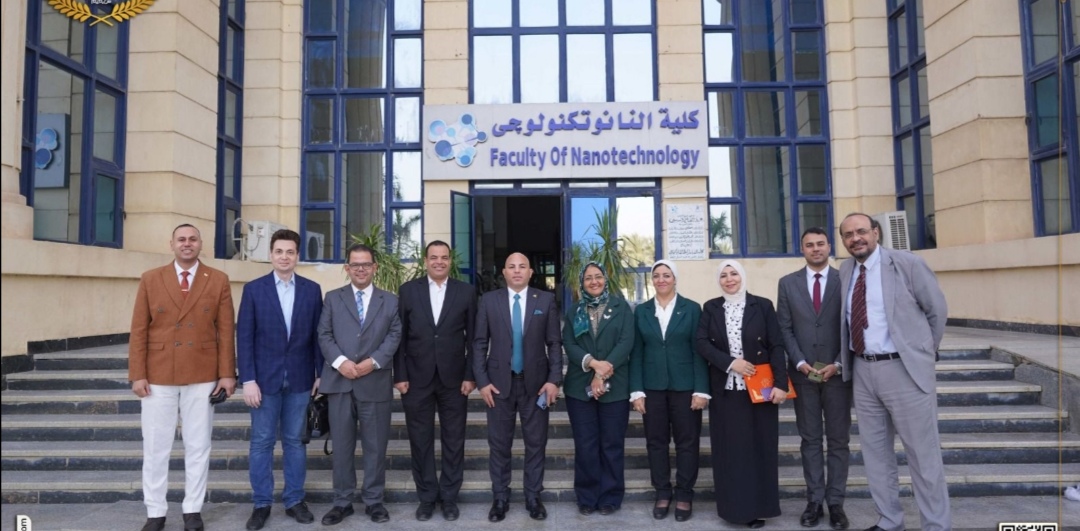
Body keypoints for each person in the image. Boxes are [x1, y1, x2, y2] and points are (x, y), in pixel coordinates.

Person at [838, 212, 950, 531]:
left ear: (876, 232)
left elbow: (937, 311)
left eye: (861, 231)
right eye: (848, 234)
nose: (856, 238)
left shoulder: (907, 264)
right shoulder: (845, 270)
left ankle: (936, 525)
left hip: (904, 370)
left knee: (923, 456)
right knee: (876, 455)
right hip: (863, 370)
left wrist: (922, 353)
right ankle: (889, 520)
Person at [129, 224, 236, 531]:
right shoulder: (151, 278)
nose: (187, 244)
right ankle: (155, 511)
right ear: (172, 244)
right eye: (181, 239)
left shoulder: (218, 279)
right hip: (158, 373)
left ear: (201, 244)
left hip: (202, 373)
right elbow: (139, 329)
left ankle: (192, 510)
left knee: (198, 445)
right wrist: (137, 374)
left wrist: (227, 374)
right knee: (155, 446)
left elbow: (226, 330)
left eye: (192, 239)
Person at [236, 229, 323, 530]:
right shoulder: (254, 290)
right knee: (261, 442)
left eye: (290, 252)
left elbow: (317, 336)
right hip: (263, 381)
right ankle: (261, 503)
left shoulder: (312, 290)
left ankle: (294, 500)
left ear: (297, 256)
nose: (284, 257)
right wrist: (248, 379)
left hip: (300, 378)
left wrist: (320, 373)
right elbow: (244, 338)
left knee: (295, 443)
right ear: (271, 254)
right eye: (279, 251)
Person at [695, 259, 787, 529]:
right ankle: (734, 510)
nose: (729, 279)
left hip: (760, 391)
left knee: (759, 450)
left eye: (734, 273)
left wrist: (781, 384)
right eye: (723, 275)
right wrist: (730, 363)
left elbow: (776, 345)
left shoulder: (763, 305)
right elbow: (701, 342)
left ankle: (758, 509)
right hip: (726, 391)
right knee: (731, 453)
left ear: (742, 276)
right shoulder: (711, 307)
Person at [473, 252, 562, 522]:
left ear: (531, 272)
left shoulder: (544, 300)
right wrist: (482, 382)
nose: (517, 271)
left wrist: (554, 380)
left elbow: (554, 343)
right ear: (504, 272)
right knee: (499, 444)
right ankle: (500, 497)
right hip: (498, 385)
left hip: (536, 385)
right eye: (511, 267)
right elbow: (479, 343)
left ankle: (533, 496)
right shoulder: (489, 301)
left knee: (536, 443)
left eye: (522, 266)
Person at [317, 243, 402, 526]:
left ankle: (374, 501)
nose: (361, 269)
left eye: (366, 264)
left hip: (374, 382)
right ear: (347, 268)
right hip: (340, 382)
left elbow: (394, 335)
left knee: (375, 447)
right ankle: (342, 502)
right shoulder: (333, 298)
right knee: (341, 447)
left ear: (375, 267)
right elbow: (324, 334)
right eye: (355, 264)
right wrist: (341, 362)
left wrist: (373, 362)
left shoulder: (390, 301)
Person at [393, 240, 477, 522]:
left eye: (444, 257)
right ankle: (427, 497)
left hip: (455, 379)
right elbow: (399, 337)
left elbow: (474, 339)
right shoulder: (408, 291)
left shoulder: (466, 292)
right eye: (433, 257)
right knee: (420, 440)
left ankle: (450, 497)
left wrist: (470, 375)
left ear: (450, 261)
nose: (439, 262)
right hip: (416, 379)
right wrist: (400, 375)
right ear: (425, 261)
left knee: (454, 440)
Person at [776, 227, 851, 530]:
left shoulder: (846, 280)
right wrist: (800, 362)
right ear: (802, 249)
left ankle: (836, 503)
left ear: (830, 247)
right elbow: (784, 327)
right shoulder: (787, 283)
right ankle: (814, 501)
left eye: (821, 244)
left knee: (838, 440)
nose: (816, 249)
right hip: (803, 374)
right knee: (810, 440)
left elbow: (853, 325)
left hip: (837, 375)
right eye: (810, 245)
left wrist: (839, 363)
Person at [629, 260, 708, 522]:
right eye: (656, 276)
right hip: (652, 387)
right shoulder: (641, 311)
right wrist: (637, 391)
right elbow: (636, 352)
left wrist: (701, 389)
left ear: (675, 278)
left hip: (686, 387)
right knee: (656, 442)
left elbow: (699, 351)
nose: (661, 280)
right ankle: (662, 491)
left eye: (666, 275)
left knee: (687, 442)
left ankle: (684, 493)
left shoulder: (692, 308)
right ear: (652, 280)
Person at [562, 262, 636, 516]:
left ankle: (610, 496)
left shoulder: (621, 307)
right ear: (581, 283)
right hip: (578, 388)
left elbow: (626, 342)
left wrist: (602, 373)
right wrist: (594, 365)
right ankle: (587, 496)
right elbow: (569, 343)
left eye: (598, 277)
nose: (594, 282)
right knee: (585, 444)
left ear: (605, 279)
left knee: (612, 444)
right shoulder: (574, 310)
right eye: (588, 278)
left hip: (615, 387)